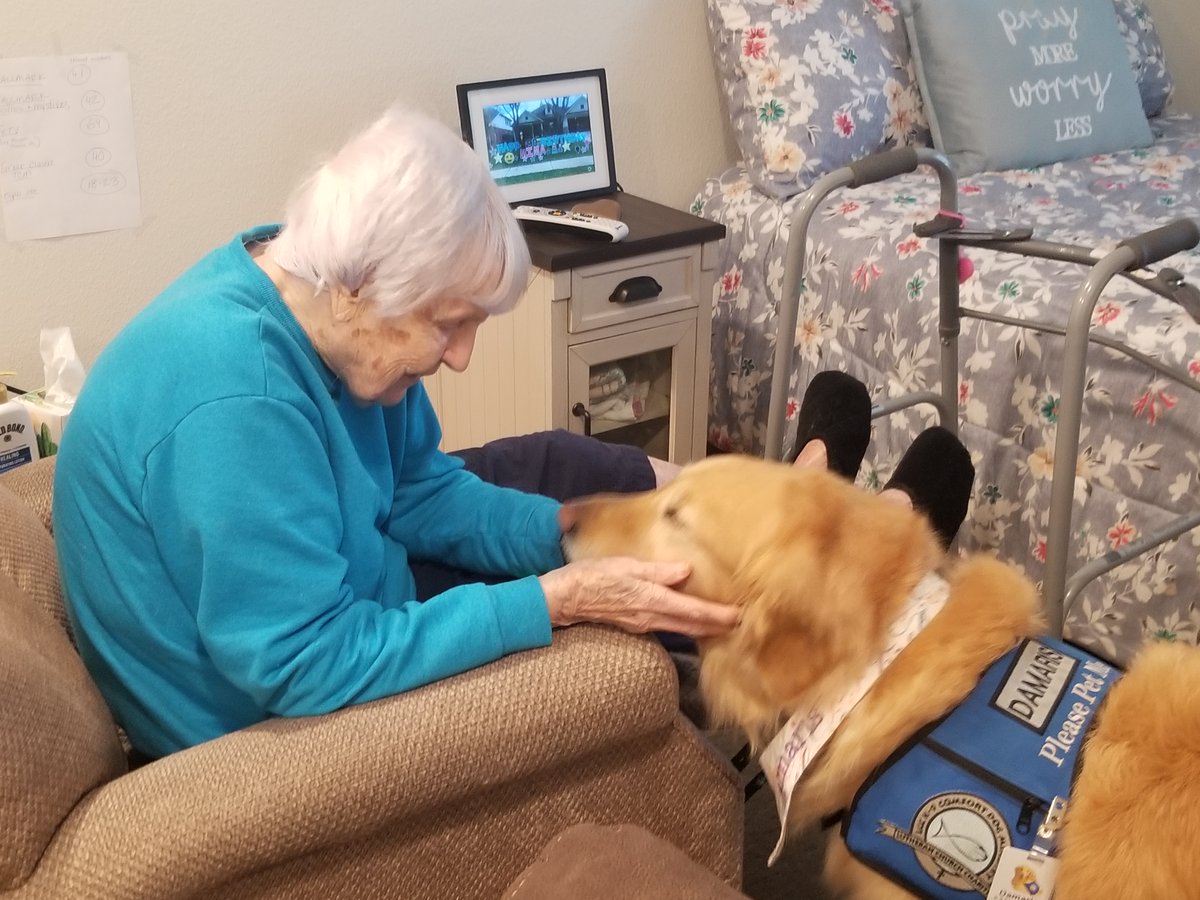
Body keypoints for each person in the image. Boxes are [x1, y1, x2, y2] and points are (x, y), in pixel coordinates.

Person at [53, 104, 971, 760]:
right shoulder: (237, 405)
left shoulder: (311, 295)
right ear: (360, 284)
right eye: (448, 324)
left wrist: (560, 543)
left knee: (571, 475)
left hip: (343, 571)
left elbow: (416, 487)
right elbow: (305, 663)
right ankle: (862, 558)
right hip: (273, 720)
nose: (458, 359)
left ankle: (820, 510)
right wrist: (561, 599)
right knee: (632, 611)